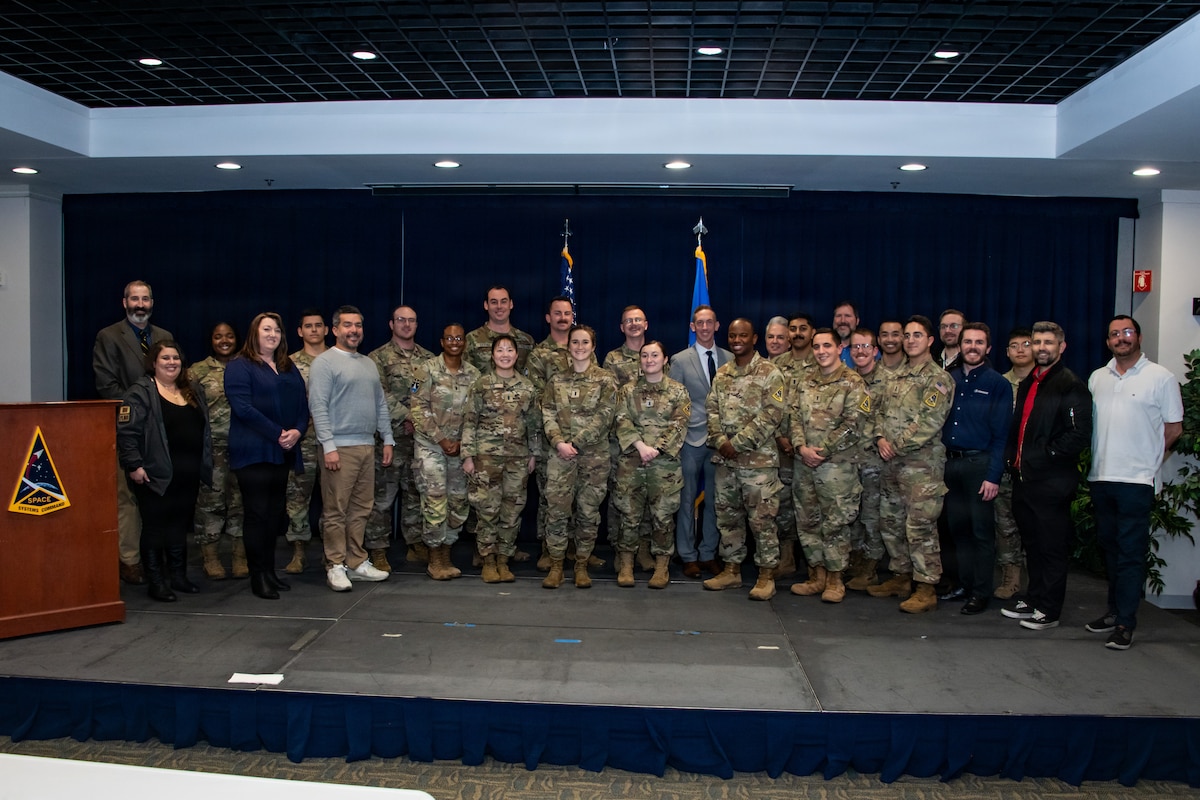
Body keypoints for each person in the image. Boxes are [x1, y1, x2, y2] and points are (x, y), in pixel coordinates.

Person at [1085, 315, 1182, 650]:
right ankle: (1114, 611)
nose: (1120, 338)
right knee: (1109, 549)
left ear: (1138, 337)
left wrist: (1150, 464)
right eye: (1114, 334)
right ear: (1108, 341)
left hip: (1137, 481)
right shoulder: (1098, 377)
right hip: (1101, 477)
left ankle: (1126, 622)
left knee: (1130, 554)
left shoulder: (1161, 377)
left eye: (1126, 332)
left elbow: (1174, 428)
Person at [1001, 321, 1092, 630]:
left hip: (1052, 481)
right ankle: (1034, 598)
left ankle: (1050, 610)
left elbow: (1078, 435)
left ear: (1061, 347)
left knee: (1051, 547)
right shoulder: (1030, 382)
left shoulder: (1070, 384)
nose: (1040, 347)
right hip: (1024, 480)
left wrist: (1044, 456)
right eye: (1036, 342)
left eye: (1047, 343)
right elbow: (1019, 428)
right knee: (1033, 544)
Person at [866, 315, 953, 614]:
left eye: (917, 335)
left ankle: (926, 587)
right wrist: (880, 438)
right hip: (890, 463)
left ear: (930, 341)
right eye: (907, 335)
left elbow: (929, 422)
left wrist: (896, 445)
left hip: (921, 467)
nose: (910, 340)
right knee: (890, 523)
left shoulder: (938, 378)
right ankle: (901, 577)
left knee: (920, 527)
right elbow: (875, 409)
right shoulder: (892, 375)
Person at [117, 340, 212, 602]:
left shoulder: (191, 390)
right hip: (154, 474)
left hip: (188, 473)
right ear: (154, 364)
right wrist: (134, 465)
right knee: (155, 528)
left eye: (176, 358)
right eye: (165, 359)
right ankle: (157, 582)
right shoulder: (139, 393)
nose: (172, 363)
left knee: (179, 526)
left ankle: (178, 577)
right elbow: (127, 433)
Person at [94, 279, 175, 586]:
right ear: (124, 302)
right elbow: (106, 385)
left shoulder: (164, 336)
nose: (140, 304)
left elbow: (173, 378)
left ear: (152, 303)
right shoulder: (109, 336)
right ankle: (129, 560)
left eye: (145, 299)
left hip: (162, 430)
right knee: (127, 498)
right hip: (127, 426)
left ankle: (160, 556)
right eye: (135, 299)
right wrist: (142, 410)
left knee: (160, 493)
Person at [224, 312, 310, 600]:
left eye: (276, 329)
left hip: (282, 451)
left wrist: (297, 431)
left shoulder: (287, 366)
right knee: (257, 515)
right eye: (266, 329)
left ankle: (270, 571)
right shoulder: (240, 366)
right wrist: (278, 433)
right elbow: (243, 409)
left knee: (274, 516)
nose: (272, 334)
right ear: (254, 333)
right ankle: (257, 576)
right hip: (254, 451)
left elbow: (302, 404)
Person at [308, 305, 394, 592]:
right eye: (347, 325)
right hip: (339, 448)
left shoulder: (368, 363)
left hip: (367, 446)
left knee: (361, 509)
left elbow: (380, 404)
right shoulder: (325, 362)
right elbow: (317, 406)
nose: (354, 330)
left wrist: (388, 438)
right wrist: (328, 445)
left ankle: (356, 561)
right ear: (335, 329)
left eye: (358, 325)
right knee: (336, 510)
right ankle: (334, 565)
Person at [702, 318, 787, 601]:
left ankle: (766, 575)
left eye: (743, 335)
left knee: (762, 521)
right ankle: (731, 570)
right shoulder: (723, 373)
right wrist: (719, 442)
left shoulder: (771, 373)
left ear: (754, 339)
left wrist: (735, 444)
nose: (737, 339)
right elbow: (711, 410)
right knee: (728, 519)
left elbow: (771, 416)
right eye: (732, 334)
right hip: (726, 464)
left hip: (758, 464)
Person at [787, 328, 869, 603]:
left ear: (840, 348)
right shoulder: (804, 380)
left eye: (827, 346)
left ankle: (835, 580)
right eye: (817, 346)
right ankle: (816, 576)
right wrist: (801, 447)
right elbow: (793, 416)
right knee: (808, 521)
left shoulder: (853, 382)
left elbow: (854, 423)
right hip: (804, 465)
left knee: (835, 524)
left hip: (837, 468)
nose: (821, 351)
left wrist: (823, 450)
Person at [941, 322, 1012, 615]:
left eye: (979, 342)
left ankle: (981, 592)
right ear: (960, 345)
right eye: (967, 342)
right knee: (957, 530)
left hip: (979, 465)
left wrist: (993, 475)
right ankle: (963, 584)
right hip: (950, 464)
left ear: (988, 348)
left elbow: (1001, 436)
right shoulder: (948, 379)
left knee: (981, 532)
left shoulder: (998, 384)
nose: (972, 347)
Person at [540, 324, 618, 589]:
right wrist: (559, 442)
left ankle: (581, 565)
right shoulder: (556, 381)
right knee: (557, 513)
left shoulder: (606, 380)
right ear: (568, 347)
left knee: (587, 513)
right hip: (560, 456)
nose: (580, 347)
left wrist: (576, 442)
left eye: (585, 342)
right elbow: (547, 413)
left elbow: (605, 416)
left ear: (593, 347)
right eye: (575, 342)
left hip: (594, 458)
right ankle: (557, 566)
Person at [612, 341, 690, 589]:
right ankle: (626, 564)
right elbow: (621, 419)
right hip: (632, 462)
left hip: (664, 465)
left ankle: (661, 566)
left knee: (663, 517)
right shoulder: (627, 390)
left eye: (655, 355)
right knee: (629, 516)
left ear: (665, 359)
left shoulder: (678, 391)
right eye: (644, 355)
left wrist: (656, 448)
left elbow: (680, 423)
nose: (649, 360)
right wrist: (641, 447)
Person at [462, 335, 538, 583]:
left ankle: (504, 559)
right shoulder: (481, 385)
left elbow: (534, 425)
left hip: (517, 459)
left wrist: (533, 454)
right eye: (500, 350)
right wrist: (468, 456)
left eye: (509, 350)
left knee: (512, 512)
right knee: (487, 511)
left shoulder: (527, 387)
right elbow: (470, 421)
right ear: (492, 355)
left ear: (517, 355)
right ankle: (488, 560)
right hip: (486, 460)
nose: (505, 354)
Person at [367, 305, 435, 571]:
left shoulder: (429, 358)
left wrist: (418, 421)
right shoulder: (377, 358)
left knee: (416, 495)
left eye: (411, 321)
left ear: (417, 325)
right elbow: (380, 395)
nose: (406, 325)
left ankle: (415, 543)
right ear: (391, 324)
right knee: (382, 497)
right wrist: (408, 417)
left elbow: (432, 395)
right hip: (389, 439)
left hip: (420, 441)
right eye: (401, 320)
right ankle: (378, 548)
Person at [411, 323, 481, 580]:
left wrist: (462, 443)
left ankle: (447, 552)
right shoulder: (425, 370)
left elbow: (476, 414)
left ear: (464, 342)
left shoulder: (474, 375)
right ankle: (435, 558)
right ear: (442, 342)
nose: (454, 341)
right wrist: (442, 440)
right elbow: (417, 408)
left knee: (458, 503)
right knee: (434, 502)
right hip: (431, 448)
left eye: (459, 338)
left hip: (460, 450)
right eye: (449, 337)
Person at [668, 305, 731, 578]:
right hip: (691, 440)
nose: (704, 328)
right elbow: (673, 401)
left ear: (717, 325)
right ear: (693, 327)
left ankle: (708, 553)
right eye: (699, 324)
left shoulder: (730, 358)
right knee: (686, 499)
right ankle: (687, 555)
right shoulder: (680, 360)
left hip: (721, 442)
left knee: (716, 501)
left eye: (709, 323)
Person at [189, 322, 245, 581]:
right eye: (218, 336)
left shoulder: (247, 365)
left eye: (229, 336)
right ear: (211, 340)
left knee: (240, 502)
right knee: (210, 504)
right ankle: (210, 556)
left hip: (244, 448)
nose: (224, 340)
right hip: (212, 451)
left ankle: (239, 555)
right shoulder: (197, 372)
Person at [526, 296, 577, 568]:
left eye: (567, 313)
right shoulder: (538, 354)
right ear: (548, 318)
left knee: (578, 497)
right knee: (549, 496)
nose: (562, 317)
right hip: (550, 438)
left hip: (580, 439)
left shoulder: (582, 348)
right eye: (557, 313)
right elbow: (535, 396)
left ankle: (575, 548)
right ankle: (548, 548)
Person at [769, 312, 818, 579]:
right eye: (793, 329)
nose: (797, 333)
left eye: (803, 329)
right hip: (783, 448)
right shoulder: (777, 365)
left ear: (812, 332)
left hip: (814, 450)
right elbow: (770, 405)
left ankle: (817, 567)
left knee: (813, 506)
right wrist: (779, 436)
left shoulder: (821, 360)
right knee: (784, 505)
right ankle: (786, 558)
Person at [604, 305, 652, 572]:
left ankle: (643, 549)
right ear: (622, 327)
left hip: (651, 442)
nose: (633, 324)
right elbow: (613, 400)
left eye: (638, 320)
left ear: (646, 324)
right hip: (621, 441)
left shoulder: (655, 353)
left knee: (645, 497)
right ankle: (619, 549)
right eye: (628, 321)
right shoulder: (612, 359)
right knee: (619, 499)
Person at [284, 309, 327, 574]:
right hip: (302, 442)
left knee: (333, 500)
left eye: (318, 325)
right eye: (308, 326)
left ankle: (329, 552)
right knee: (297, 498)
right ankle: (298, 551)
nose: (313, 330)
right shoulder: (287, 364)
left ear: (326, 330)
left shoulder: (338, 359)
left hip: (332, 441)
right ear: (300, 331)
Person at [845, 328, 887, 590]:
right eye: (855, 347)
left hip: (874, 460)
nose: (860, 352)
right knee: (852, 515)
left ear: (875, 350)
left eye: (865, 347)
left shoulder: (888, 381)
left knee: (872, 516)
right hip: (850, 459)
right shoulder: (847, 380)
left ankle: (871, 568)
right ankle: (857, 564)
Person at [993, 327, 1034, 599]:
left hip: (1035, 469)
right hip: (1006, 466)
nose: (1020, 349)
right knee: (1005, 523)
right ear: (1006, 352)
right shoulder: (999, 383)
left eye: (1026, 344)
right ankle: (1011, 576)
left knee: (1034, 524)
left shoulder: (1045, 382)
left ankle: (1037, 578)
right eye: (1014, 345)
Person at [465, 285, 535, 374]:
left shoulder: (527, 341)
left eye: (503, 301)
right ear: (486, 305)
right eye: (494, 302)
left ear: (511, 304)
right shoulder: (472, 339)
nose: (499, 306)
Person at [832, 301, 860, 367]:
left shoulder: (867, 350)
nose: (843, 321)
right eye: (838, 316)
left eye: (848, 316)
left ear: (857, 321)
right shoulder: (823, 348)